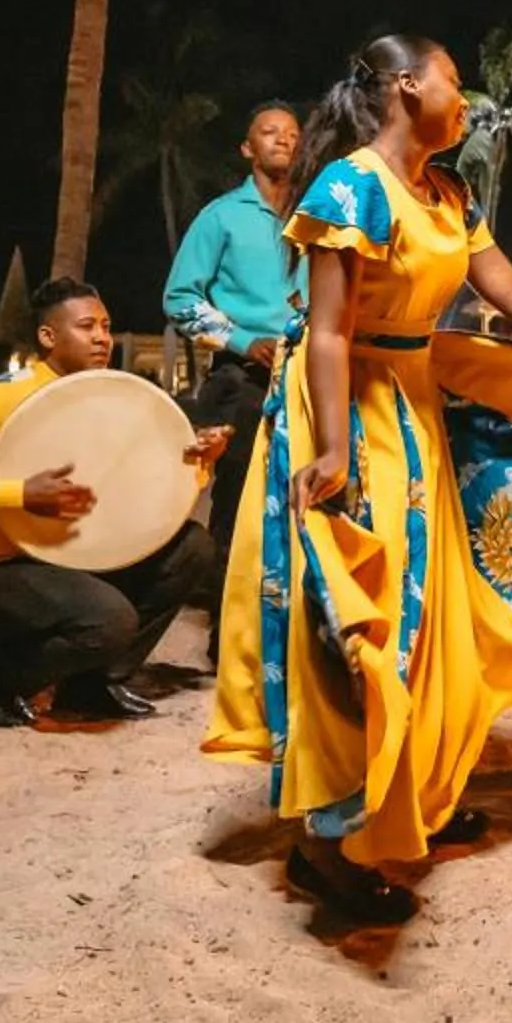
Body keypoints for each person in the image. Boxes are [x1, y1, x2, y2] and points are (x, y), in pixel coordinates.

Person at [205, 35, 512, 927]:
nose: (466, 97)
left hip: (417, 406)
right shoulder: (350, 188)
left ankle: (414, 790)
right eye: (454, 81)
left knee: (438, 618)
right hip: (349, 409)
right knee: (361, 621)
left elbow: (511, 292)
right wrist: (335, 450)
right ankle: (325, 847)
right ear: (405, 86)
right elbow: (331, 332)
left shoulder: (448, 191)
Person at [0, 276, 230, 727]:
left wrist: (197, 457)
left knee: (192, 547)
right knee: (108, 618)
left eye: (106, 326)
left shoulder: (115, 402)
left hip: (76, 563)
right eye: (86, 326)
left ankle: (93, 684)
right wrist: (17, 494)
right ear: (48, 336)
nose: (102, 337)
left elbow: (140, 486)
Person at [161, 99, 304, 648]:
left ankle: (292, 636)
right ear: (247, 148)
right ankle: (230, 635)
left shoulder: (315, 219)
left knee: (304, 502)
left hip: (307, 375)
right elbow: (180, 298)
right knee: (239, 503)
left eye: (292, 133)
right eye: (269, 132)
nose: (283, 140)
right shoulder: (221, 216)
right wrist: (244, 340)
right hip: (241, 378)